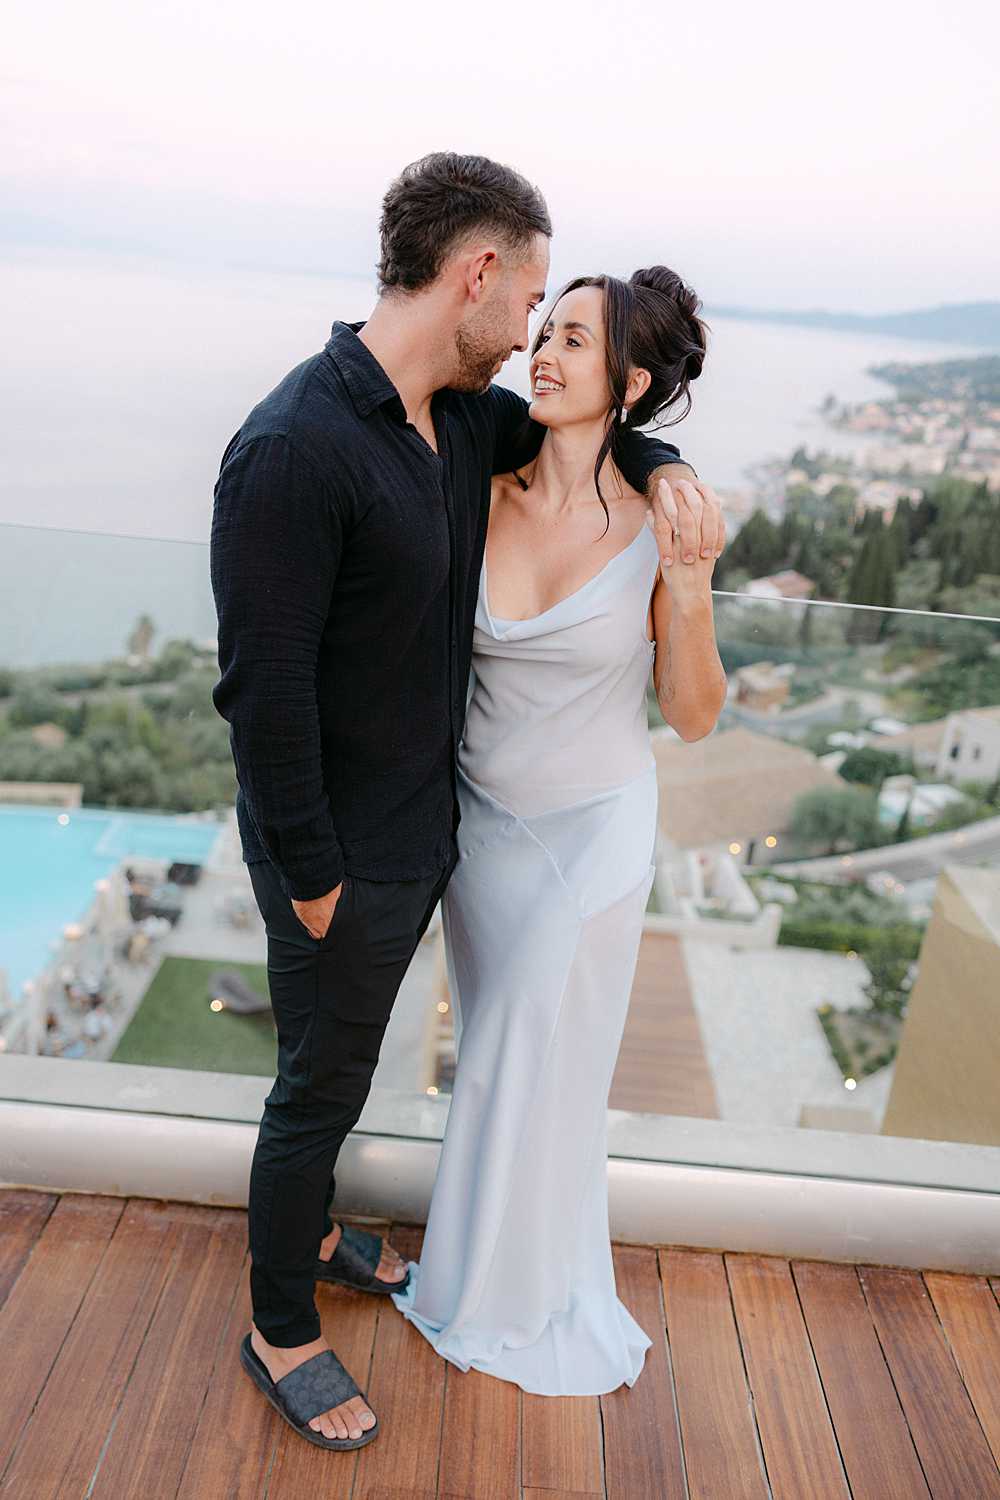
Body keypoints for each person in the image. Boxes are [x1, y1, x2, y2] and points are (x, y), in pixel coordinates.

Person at [209, 152, 703, 1451]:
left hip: (444, 838)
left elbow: (601, 440)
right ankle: (279, 1326)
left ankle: (311, 1234)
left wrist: (673, 487)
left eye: (560, 323)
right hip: (343, 856)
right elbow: (261, 700)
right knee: (319, 1088)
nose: (533, 332)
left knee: (352, 1068)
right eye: (530, 298)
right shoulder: (292, 448)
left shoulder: (459, 421)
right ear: (477, 275)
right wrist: (312, 878)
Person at [389, 269, 728, 1394]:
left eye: (570, 340)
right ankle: (494, 1270)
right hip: (480, 834)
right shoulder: (475, 486)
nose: (540, 352)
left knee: (515, 1066)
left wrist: (689, 588)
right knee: (504, 1056)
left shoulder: (657, 529)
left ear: (626, 382)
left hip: (592, 837)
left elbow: (689, 714)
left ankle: (495, 1296)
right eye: (543, 332)